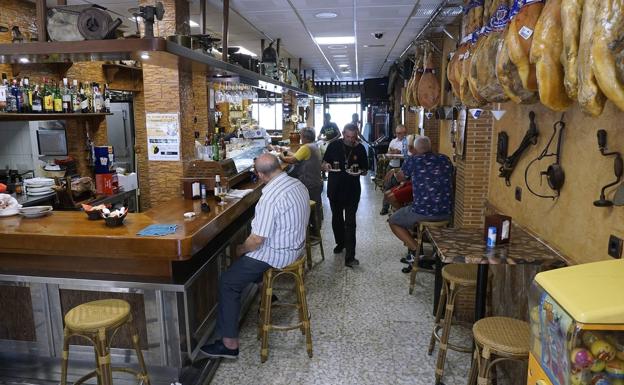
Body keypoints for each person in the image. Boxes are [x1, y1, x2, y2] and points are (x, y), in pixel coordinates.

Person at [199, 154, 310, 359]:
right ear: (278, 166)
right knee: (249, 259)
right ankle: (266, 290)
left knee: (228, 281)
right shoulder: (296, 184)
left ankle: (229, 344)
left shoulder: (269, 197)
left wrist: (240, 249)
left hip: (279, 254)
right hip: (297, 249)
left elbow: (257, 240)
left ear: (260, 175)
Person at [387, 136, 453, 273]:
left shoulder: (414, 160)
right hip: (446, 212)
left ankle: (416, 252)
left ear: (415, 149)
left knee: (393, 221)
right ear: (431, 147)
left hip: (422, 212)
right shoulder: (445, 159)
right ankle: (419, 247)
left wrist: (395, 171)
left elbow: (400, 178)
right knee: (406, 213)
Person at [322, 123, 368, 267]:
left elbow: (366, 169)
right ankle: (340, 243)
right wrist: (326, 167)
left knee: (350, 223)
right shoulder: (333, 145)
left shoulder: (360, 148)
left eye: (353, 137)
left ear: (356, 135)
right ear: (343, 133)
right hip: (335, 189)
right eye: (348, 136)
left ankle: (350, 256)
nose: (350, 140)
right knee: (336, 219)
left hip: (352, 190)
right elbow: (324, 163)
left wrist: (360, 171)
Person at [279, 127, 323, 230]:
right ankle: (316, 228)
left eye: (300, 136)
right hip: (316, 181)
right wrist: (287, 152)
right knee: (316, 207)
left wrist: (281, 156)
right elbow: (299, 156)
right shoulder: (314, 145)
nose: (299, 137)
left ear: (303, 137)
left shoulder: (306, 147)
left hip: (309, 183)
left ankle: (309, 229)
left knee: (306, 207)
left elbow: (292, 160)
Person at [379, 125, 410, 215]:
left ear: (405, 133)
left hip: (402, 167)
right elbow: (389, 152)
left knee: (398, 187)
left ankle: (399, 210)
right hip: (392, 165)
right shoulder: (393, 141)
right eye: (397, 133)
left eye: (400, 133)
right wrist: (391, 152)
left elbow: (409, 154)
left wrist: (399, 152)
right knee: (387, 186)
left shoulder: (408, 142)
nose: (398, 135)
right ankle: (385, 207)